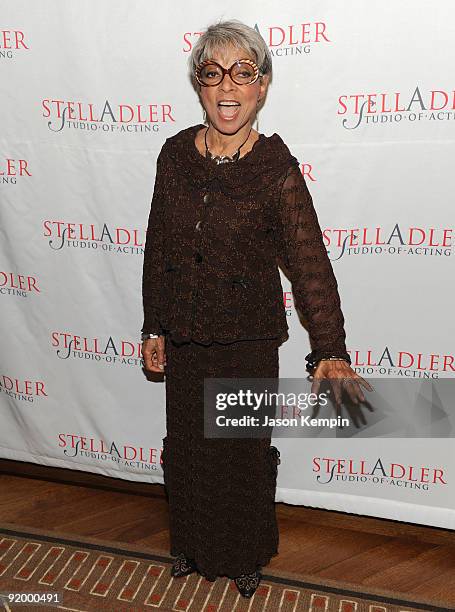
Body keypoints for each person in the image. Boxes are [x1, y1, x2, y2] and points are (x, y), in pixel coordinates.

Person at [141, 19, 371, 599]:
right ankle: (190, 545)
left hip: (246, 340)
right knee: (188, 449)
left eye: (243, 73)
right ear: (198, 82)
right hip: (187, 339)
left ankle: (244, 556)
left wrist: (330, 349)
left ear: (262, 85)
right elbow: (159, 246)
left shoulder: (275, 170)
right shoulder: (173, 156)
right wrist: (153, 325)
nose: (228, 87)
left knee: (240, 460)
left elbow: (310, 264)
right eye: (214, 73)